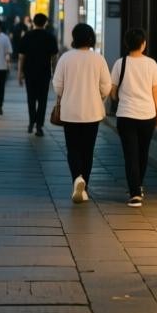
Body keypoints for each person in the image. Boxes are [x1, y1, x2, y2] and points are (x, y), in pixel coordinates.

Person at [53, 23, 111, 203]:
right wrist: (98, 97)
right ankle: (84, 184)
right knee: (88, 149)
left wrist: (65, 94)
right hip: (92, 111)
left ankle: (76, 179)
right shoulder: (98, 59)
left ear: (74, 37)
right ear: (91, 38)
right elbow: (106, 86)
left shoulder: (65, 58)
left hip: (70, 111)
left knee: (73, 148)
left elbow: (58, 86)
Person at [111, 28, 157, 207]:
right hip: (147, 115)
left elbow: (113, 90)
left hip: (126, 115)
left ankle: (135, 191)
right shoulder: (151, 64)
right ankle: (137, 186)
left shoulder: (120, 63)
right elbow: (156, 91)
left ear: (127, 44)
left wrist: (118, 98)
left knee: (130, 154)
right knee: (142, 152)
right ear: (143, 44)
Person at [18, 13, 59, 135]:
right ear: (45, 23)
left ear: (33, 22)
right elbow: (54, 57)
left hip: (29, 72)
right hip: (44, 73)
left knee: (31, 98)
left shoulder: (27, 36)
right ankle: (39, 126)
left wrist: (20, 73)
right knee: (42, 100)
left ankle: (31, 122)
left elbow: (21, 57)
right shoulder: (50, 37)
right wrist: (54, 72)